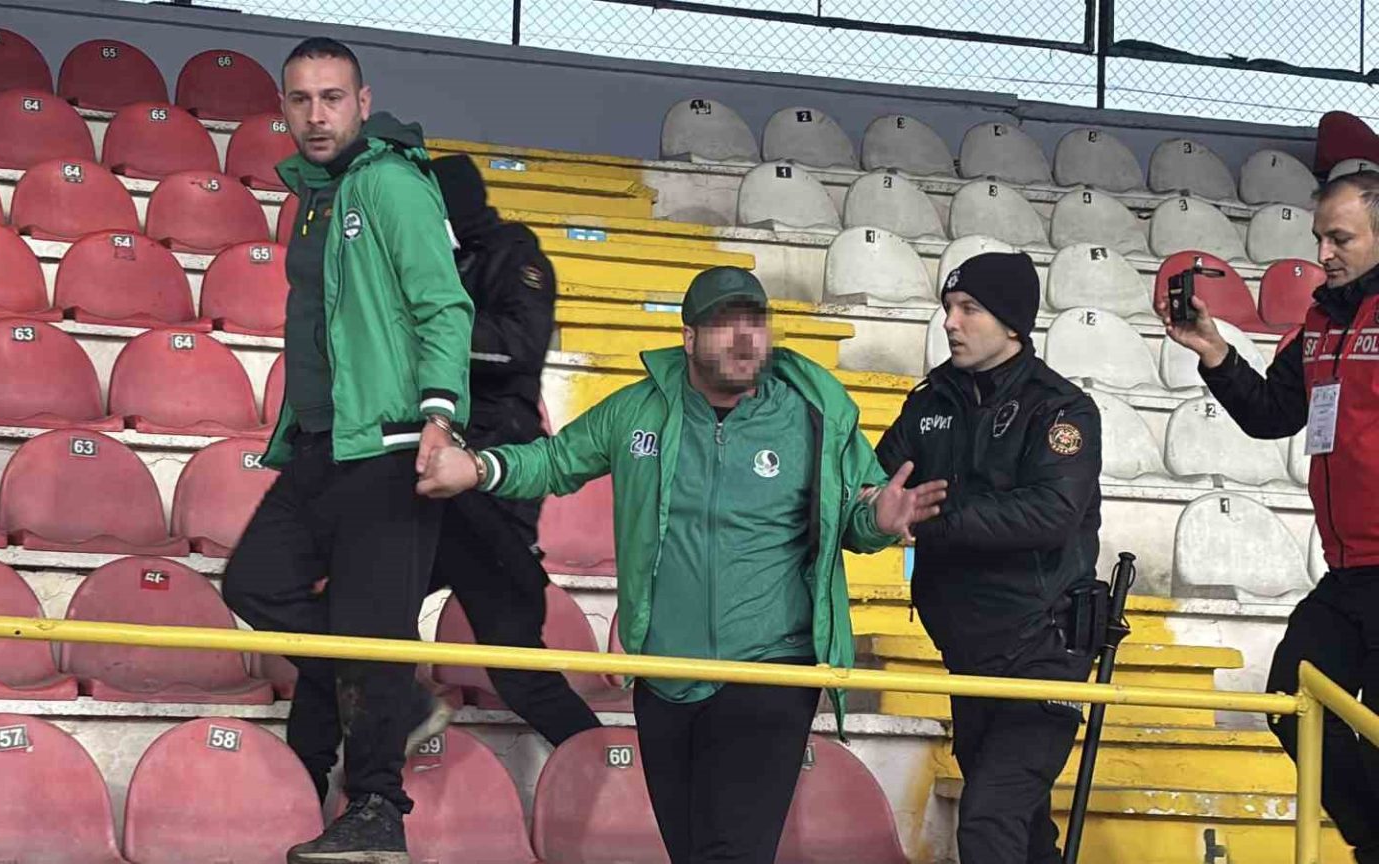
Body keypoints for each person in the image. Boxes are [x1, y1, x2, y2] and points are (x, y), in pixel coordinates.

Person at [417, 266, 947, 864]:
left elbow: (856, 514)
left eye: (755, 324)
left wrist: (879, 519)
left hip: (770, 671)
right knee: (691, 851)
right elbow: (556, 461)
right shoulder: (639, 410)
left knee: (731, 852)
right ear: (689, 338)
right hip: (665, 674)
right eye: (725, 325)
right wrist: (478, 468)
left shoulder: (812, 413)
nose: (745, 340)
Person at [219, 37, 473, 864]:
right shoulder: (316, 197)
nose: (316, 115)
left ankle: (377, 813)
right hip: (324, 444)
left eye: (332, 97)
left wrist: (439, 416)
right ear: (283, 109)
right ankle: (395, 694)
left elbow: (444, 305)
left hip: (392, 445)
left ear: (363, 103)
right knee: (255, 582)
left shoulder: (392, 183)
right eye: (300, 100)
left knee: (369, 629)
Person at [1158, 171, 1379, 864]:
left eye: (1340, 238)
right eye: (1319, 238)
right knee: (1291, 696)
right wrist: (1214, 351)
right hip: (1346, 572)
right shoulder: (1319, 321)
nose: (1324, 253)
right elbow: (1273, 415)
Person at [874, 252, 1104, 864]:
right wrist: (875, 507)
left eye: (969, 309)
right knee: (1022, 832)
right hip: (969, 649)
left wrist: (935, 520)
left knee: (988, 820)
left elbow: (1052, 513)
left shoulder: (1061, 409)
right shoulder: (930, 403)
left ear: (1012, 324)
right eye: (948, 307)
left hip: (1045, 647)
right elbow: (876, 483)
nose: (951, 322)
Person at [425, 154, 602, 744]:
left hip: (492, 478)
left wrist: (430, 335)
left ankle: (601, 768)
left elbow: (518, 346)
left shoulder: (513, 254)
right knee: (357, 613)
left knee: (517, 662)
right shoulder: (434, 260)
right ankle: (388, 718)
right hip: (433, 478)